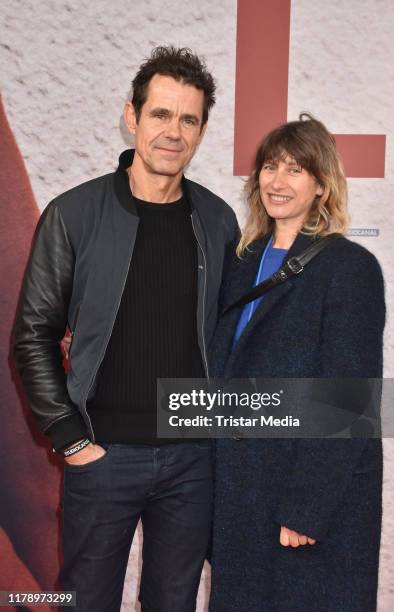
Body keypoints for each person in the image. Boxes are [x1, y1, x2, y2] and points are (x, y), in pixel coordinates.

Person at [13, 45, 238, 612]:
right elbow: (33, 334)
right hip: (102, 454)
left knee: (173, 603)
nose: (174, 131)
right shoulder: (74, 214)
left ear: (203, 130)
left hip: (190, 462)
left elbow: (231, 335)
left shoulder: (216, 220)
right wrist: (70, 437)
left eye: (189, 119)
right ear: (132, 116)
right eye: (161, 114)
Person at [209, 114, 385, 611]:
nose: (277, 182)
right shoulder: (240, 262)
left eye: (295, 170)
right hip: (239, 494)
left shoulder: (349, 269)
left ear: (322, 186)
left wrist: (308, 508)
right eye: (270, 167)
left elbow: (350, 399)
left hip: (303, 501)